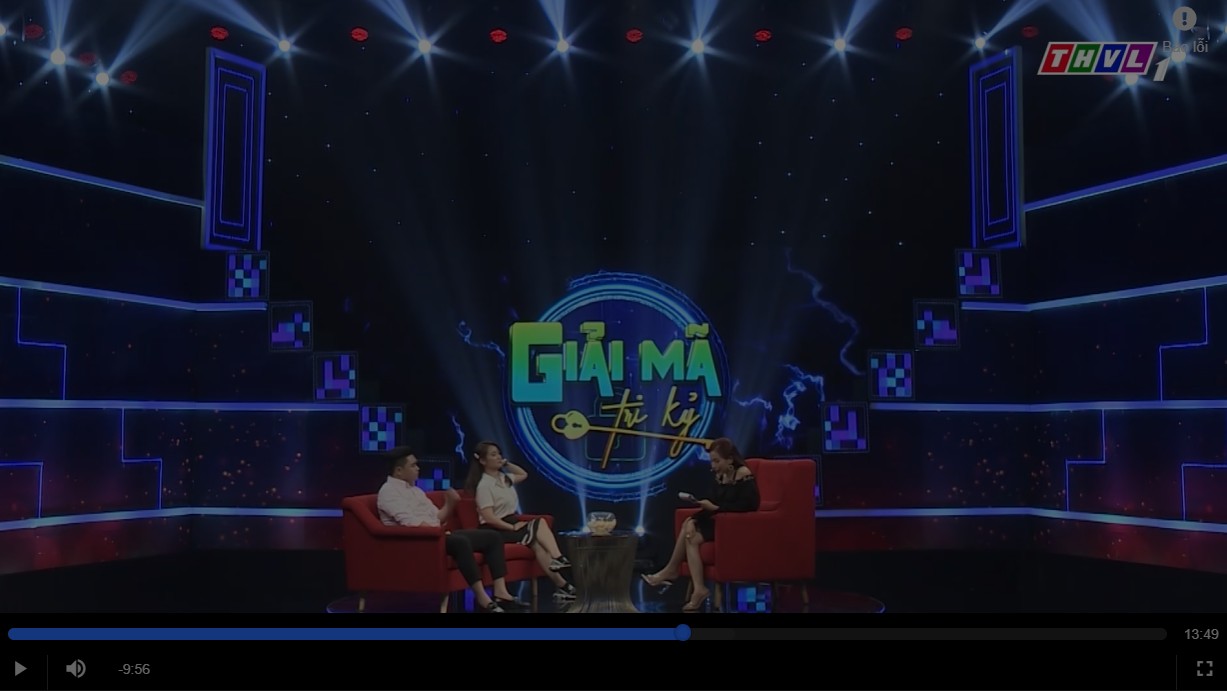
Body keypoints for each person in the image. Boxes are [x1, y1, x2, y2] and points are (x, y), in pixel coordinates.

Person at [377, 447, 528, 613]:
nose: (418, 468)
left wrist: (450, 504)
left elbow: (437, 517)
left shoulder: (416, 491)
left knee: (492, 537)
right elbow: (411, 524)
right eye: (413, 465)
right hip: (419, 543)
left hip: (437, 535)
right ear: (399, 471)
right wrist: (438, 532)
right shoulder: (388, 493)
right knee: (459, 542)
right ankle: (482, 597)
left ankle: (501, 593)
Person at [641, 437, 760, 611]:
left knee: (691, 532)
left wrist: (717, 508)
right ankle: (698, 588)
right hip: (720, 521)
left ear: (730, 459)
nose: (713, 465)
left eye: (717, 461)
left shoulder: (743, 473)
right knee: (690, 531)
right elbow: (711, 504)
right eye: (712, 461)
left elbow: (750, 505)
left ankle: (672, 571)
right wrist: (694, 519)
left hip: (735, 526)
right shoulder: (720, 476)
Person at [464, 441, 577, 601]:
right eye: (493, 455)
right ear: (482, 461)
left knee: (537, 545)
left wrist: (506, 464)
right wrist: (511, 527)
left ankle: (564, 586)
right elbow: (489, 517)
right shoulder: (484, 485)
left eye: (499, 454)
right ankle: (558, 557)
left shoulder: (504, 478)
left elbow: (523, 474)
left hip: (509, 522)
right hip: (494, 529)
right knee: (540, 523)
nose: (498, 457)